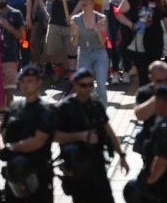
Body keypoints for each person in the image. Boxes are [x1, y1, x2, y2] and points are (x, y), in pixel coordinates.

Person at [54, 68, 129, 202]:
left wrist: (122, 155)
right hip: (77, 167)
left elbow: (108, 130)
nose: (88, 88)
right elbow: (55, 136)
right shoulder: (65, 108)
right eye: (84, 85)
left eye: (91, 85)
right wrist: (80, 136)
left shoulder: (95, 105)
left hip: (97, 164)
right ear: (75, 85)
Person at [0, 65, 56, 203]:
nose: (25, 84)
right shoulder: (13, 108)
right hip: (14, 177)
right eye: (23, 81)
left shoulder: (45, 111)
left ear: (39, 82)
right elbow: (1, 134)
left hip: (37, 174)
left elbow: (38, 141)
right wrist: (2, 147)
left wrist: (11, 147)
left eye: (29, 81)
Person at [116, 0, 167, 85]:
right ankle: (144, 97)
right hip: (138, 42)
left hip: (156, 41)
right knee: (142, 73)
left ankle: (156, 97)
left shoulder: (160, 2)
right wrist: (131, 24)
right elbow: (118, 13)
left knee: (155, 71)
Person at [45, 0, 83, 78]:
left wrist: (73, 15)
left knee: (72, 50)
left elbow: (82, 0)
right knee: (52, 48)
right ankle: (57, 68)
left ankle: (72, 71)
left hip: (70, 22)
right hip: (55, 20)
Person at [69, 0, 109, 106]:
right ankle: (90, 112)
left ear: (92, 1)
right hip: (84, 53)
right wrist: (75, 32)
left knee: (101, 85)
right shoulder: (75, 19)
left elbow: (103, 44)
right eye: (81, 0)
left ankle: (103, 113)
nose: (84, 2)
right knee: (85, 86)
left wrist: (99, 32)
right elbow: (74, 44)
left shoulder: (101, 19)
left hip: (99, 53)